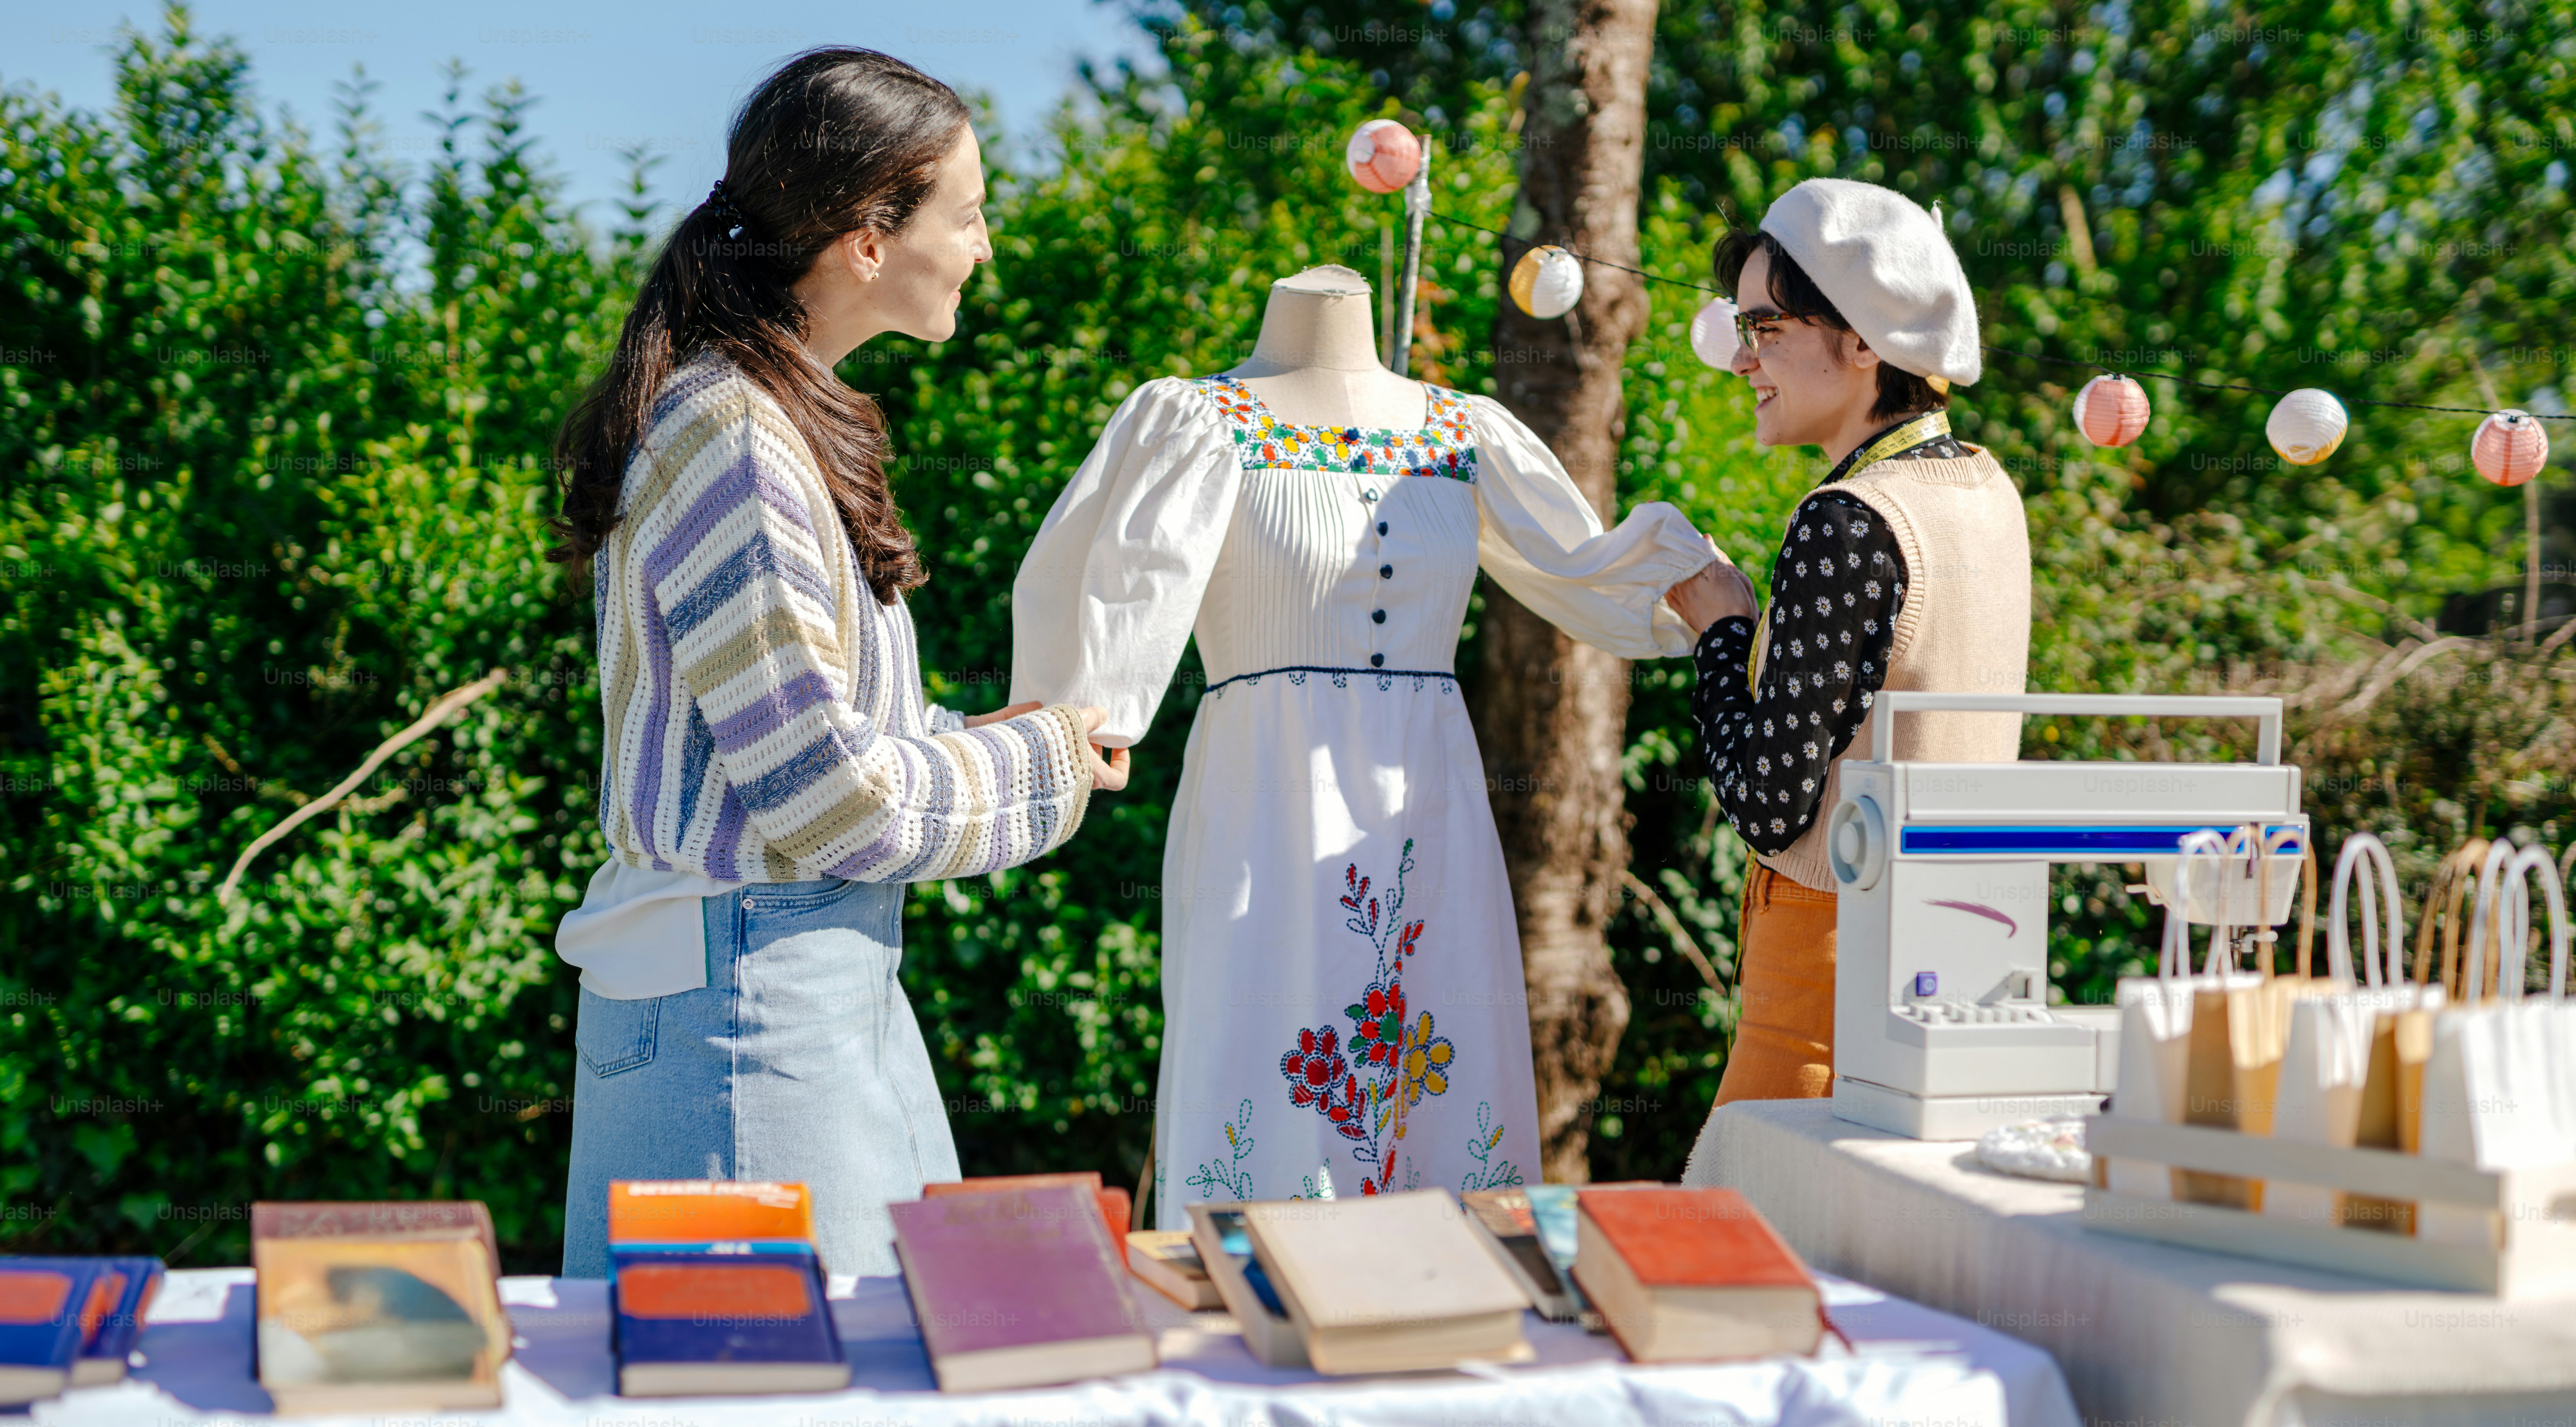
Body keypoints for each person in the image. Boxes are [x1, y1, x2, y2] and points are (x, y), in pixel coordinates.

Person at [544, 48, 1126, 1279]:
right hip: (747, 1015)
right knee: (782, 1389)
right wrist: (1042, 758)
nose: (984, 246)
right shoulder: (731, 434)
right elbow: (831, 800)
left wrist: (999, 734)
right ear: (869, 236)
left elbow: (823, 742)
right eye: (965, 215)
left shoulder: (761, 416)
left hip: (793, 986)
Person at [1011, 265, 1719, 1223]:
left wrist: (1698, 594)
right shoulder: (1197, 421)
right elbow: (1122, 574)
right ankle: (1256, 1287)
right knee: (1264, 1031)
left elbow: (1575, 561)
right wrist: (1082, 713)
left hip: (1425, 798)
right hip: (1264, 791)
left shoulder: (1465, 433)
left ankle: (1439, 1291)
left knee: (1433, 1032)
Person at [1664, 178, 2031, 1107]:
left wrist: (1721, 630)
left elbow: (1765, 802)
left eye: (1767, 329)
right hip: (1974, 937)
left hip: (1832, 959)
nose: (1744, 360)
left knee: (1746, 1235)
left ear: (1865, 340)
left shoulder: (1849, 516)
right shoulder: (1990, 490)